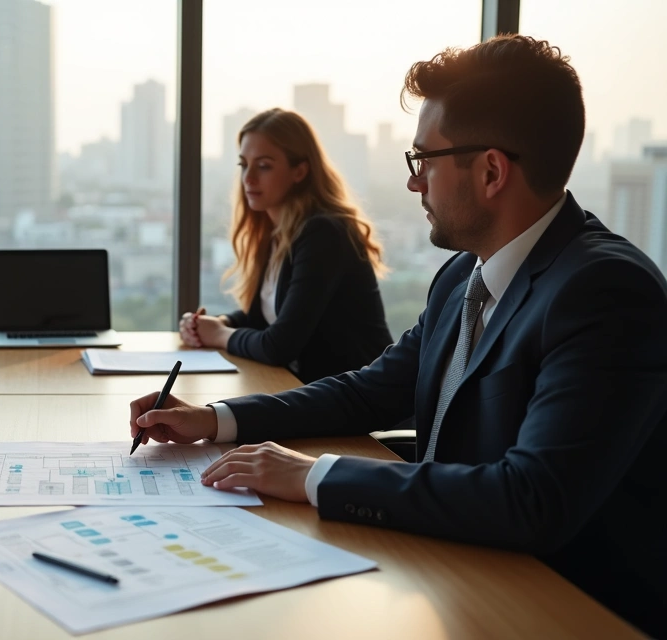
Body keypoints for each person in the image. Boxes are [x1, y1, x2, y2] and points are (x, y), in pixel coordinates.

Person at [130, 36, 666, 635]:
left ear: (491, 170)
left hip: (554, 607)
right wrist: (216, 419)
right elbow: (370, 389)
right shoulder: (465, 271)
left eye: (425, 162)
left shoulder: (604, 292)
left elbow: (532, 499)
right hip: (451, 566)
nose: (416, 185)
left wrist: (311, 474)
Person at [179, 109, 392, 383]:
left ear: (300, 171)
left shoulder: (323, 233)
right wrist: (219, 324)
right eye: (244, 165)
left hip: (363, 406)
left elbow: (278, 345)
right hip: (315, 394)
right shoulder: (278, 233)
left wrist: (218, 335)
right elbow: (263, 318)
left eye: (264, 165)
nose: (249, 178)